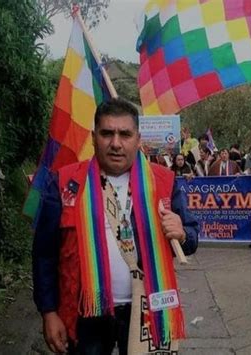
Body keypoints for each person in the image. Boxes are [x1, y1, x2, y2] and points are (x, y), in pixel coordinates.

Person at [33, 98, 199, 355]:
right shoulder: (65, 183)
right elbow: (44, 254)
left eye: (125, 134)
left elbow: (190, 240)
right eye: (107, 133)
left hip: (146, 309)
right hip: (85, 312)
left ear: (138, 139)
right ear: (93, 137)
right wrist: (49, 312)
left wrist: (182, 232)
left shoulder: (163, 182)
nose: (116, 143)